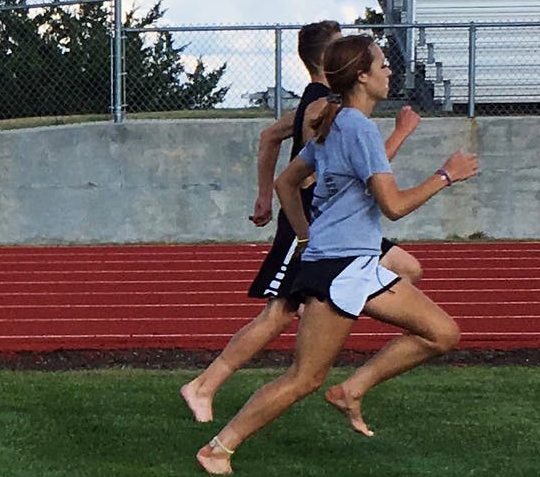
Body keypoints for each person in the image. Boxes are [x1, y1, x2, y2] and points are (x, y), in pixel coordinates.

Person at [197, 35, 477, 474]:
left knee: (442, 333)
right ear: (361, 76)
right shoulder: (358, 127)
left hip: (352, 264)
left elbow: (286, 184)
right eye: (383, 65)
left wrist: (309, 238)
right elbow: (394, 206)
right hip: (341, 269)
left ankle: (353, 389)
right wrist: (446, 174)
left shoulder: (337, 123)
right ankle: (218, 448)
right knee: (304, 378)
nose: (389, 72)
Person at [180, 22, 422, 423]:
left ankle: (330, 323)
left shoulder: (321, 104)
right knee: (277, 314)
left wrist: (263, 194)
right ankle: (204, 385)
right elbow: (353, 172)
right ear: (331, 58)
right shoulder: (323, 109)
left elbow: (271, 138)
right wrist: (273, 200)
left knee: (408, 268)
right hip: (313, 222)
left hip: (342, 225)